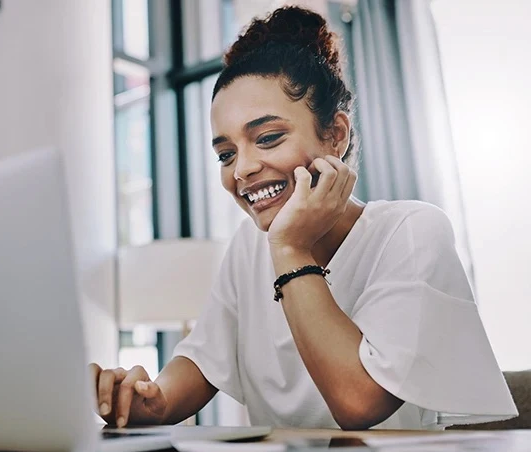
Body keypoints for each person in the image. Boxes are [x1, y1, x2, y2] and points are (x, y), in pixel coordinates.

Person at [89, 5, 518, 430]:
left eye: (268, 138)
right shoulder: (247, 246)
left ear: (334, 136)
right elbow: (201, 359)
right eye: (226, 153)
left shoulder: (410, 231)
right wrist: (148, 402)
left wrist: (291, 248)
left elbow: (358, 403)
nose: (241, 170)